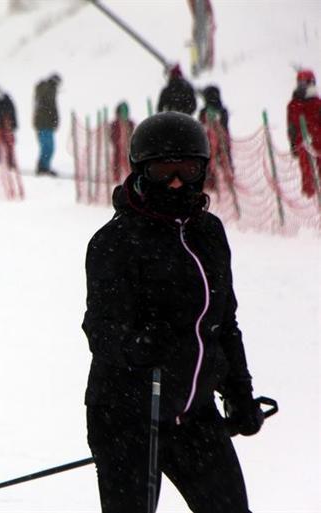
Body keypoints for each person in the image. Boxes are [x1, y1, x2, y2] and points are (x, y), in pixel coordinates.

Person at [82, 112, 265, 513]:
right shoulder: (115, 242)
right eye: (165, 170)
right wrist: (138, 345)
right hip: (128, 418)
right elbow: (99, 329)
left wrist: (239, 392)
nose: (178, 181)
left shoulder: (209, 234)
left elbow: (224, 323)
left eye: (188, 168)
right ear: (143, 171)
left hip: (194, 414)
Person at [286, 68, 321, 198]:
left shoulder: (317, 103)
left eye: (303, 82)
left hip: (318, 142)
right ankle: (309, 196)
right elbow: (291, 127)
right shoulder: (293, 104)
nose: (301, 86)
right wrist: (293, 144)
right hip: (303, 144)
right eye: (299, 82)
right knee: (306, 172)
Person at [199, 85, 233, 190]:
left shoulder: (204, 111)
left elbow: (201, 125)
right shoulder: (223, 110)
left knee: (209, 161)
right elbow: (225, 124)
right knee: (225, 157)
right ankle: (229, 177)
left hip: (209, 141)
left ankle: (211, 181)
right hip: (223, 139)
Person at [33, 73, 62, 176]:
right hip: (44, 124)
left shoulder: (43, 89)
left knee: (48, 147)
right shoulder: (49, 90)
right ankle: (42, 167)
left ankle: (44, 166)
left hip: (44, 123)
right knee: (48, 147)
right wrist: (54, 119)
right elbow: (51, 107)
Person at [109, 101, 135, 182]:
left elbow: (132, 134)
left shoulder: (130, 123)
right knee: (116, 164)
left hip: (128, 149)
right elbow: (111, 136)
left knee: (129, 164)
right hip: (117, 148)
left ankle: (129, 178)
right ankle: (116, 179)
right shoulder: (114, 124)